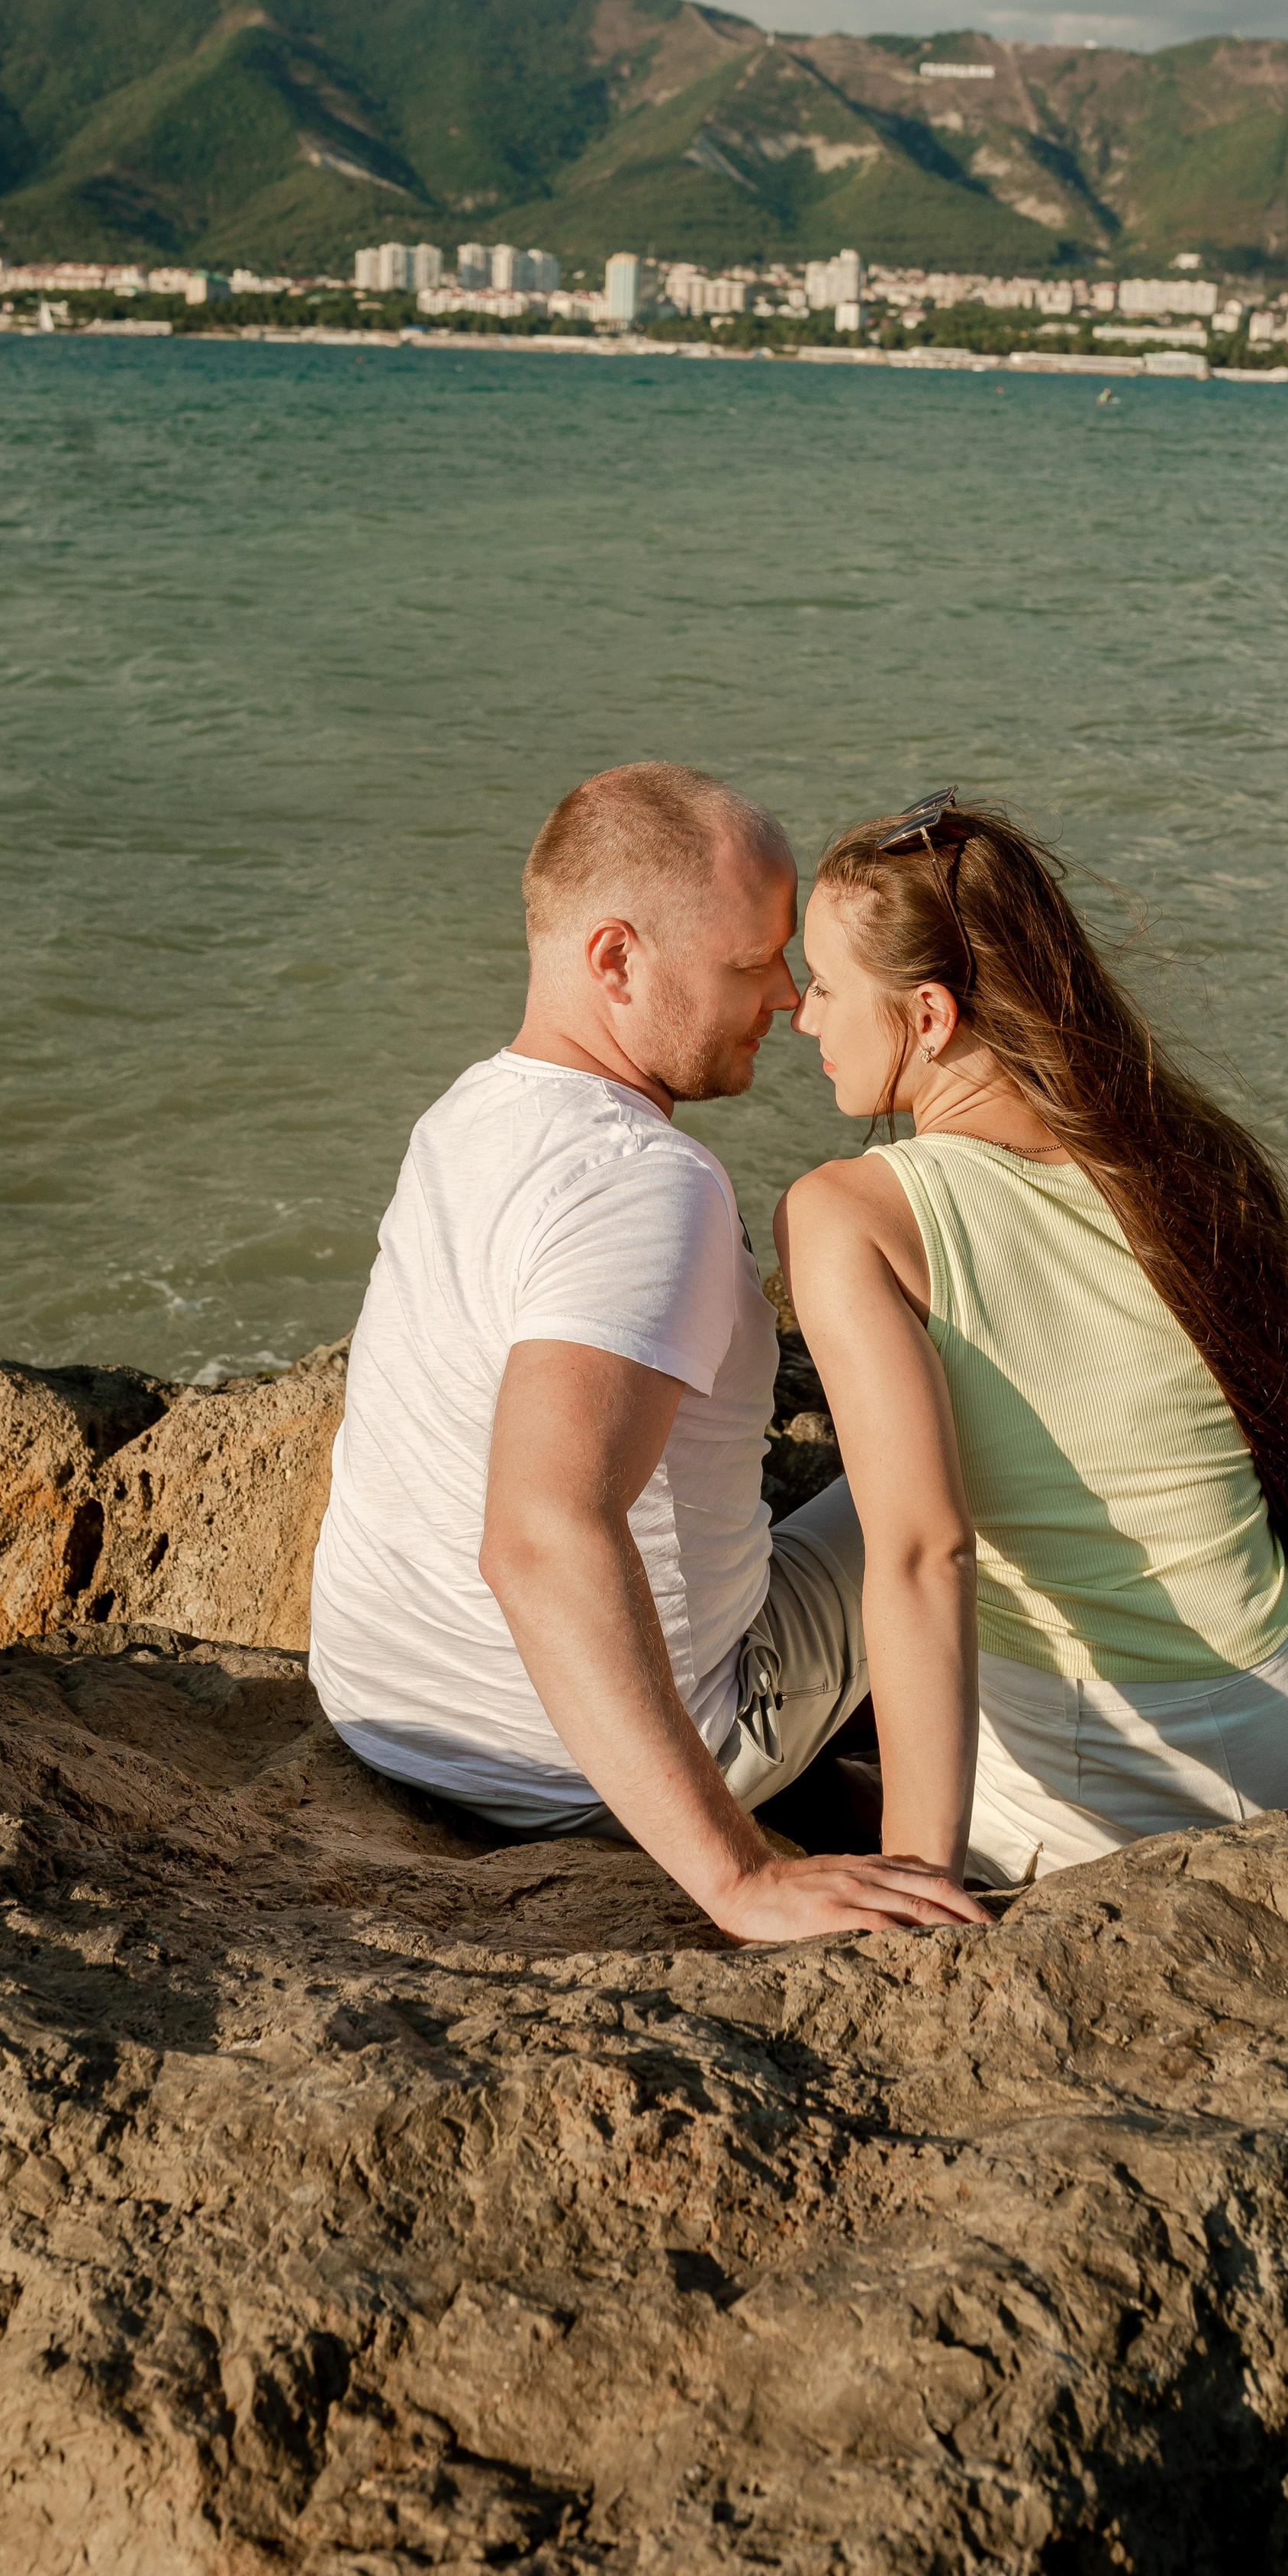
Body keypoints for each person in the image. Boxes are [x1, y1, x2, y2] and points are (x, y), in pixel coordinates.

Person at [308, 760, 984, 1942]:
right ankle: (1032, 1792)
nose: (788, 996)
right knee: (969, 1455)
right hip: (575, 1775)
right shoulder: (645, 1185)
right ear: (615, 959)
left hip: (387, 1718)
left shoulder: (467, 1115)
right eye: (751, 962)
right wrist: (737, 1878)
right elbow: (541, 1534)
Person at [776, 789, 1288, 1889]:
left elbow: (924, 1553)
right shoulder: (1180, 1159)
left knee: (784, 1785)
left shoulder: (849, 1214)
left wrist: (918, 1888)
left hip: (1132, 1781)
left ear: (929, 1017)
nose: (802, 1017)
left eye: (823, 984)